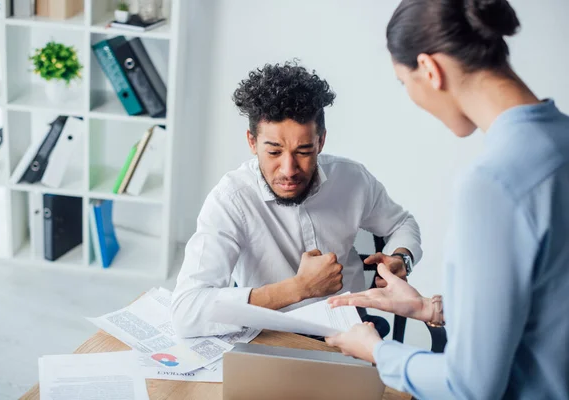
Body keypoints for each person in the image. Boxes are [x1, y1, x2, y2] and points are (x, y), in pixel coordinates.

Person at [326, 1, 569, 399]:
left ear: (430, 69)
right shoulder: (560, 144)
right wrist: (430, 310)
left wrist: (378, 352)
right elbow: (550, 313)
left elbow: (469, 387)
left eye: (405, 84)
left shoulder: (492, 184)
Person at [171, 62, 422, 338]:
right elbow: (186, 312)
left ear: (321, 142)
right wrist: (299, 288)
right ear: (252, 143)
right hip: (269, 336)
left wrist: (401, 257)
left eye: (303, 151)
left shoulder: (352, 179)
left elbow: (402, 223)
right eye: (274, 152)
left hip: (351, 331)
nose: (289, 169)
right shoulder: (230, 200)